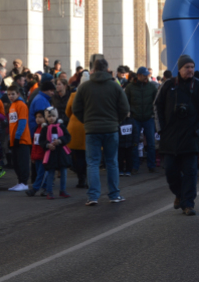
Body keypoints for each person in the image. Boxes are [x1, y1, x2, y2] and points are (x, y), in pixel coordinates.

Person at [154, 55, 199, 216]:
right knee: (171, 172)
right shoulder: (168, 85)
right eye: (187, 67)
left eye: (192, 67)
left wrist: (197, 130)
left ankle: (188, 204)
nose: (190, 70)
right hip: (170, 137)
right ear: (179, 69)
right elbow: (157, 106)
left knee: (190, 172)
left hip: (191, 137)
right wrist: (161, 129)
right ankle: (179, 194)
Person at [73, 58, 130, 206]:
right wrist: (116, 120)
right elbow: (124, 108)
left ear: (93, 69)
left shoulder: (85, 87)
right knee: (112, 162)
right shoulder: (115, 86)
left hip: (92, 130)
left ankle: (93, 196)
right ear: (107, 69)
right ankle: (114, 194)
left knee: (92, 163)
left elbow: (76, 109)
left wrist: (86, 121)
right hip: (111, 129)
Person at [124, 67, 158, 173]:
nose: (146, 77)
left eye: (147, 75)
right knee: (135, 143)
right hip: (135, 118)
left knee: (151, 143)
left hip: (148, 118)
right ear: (138, 75)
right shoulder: (130, 87)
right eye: (144, 75)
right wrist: (129, 114)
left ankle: (151, 165)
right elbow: (126, 102)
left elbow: (156, 101)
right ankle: (135, 166)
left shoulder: (152, 87)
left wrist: (153, 114)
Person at [39, 107, 72, 199]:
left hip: (61, 153)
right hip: (51, 153)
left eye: (53, 116)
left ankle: (63, 190)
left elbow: (68, 137)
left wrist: (60, 141)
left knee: (64, 172)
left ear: (56, 116)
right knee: (51, 173)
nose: (51, 118)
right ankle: (49, 191)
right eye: (49, 116)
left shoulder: (61, 126)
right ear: (46, 118)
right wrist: (47, 145)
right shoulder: (45, 129)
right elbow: (41, 140)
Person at [66, 71, 88, 188]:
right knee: (90, 156)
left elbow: (68, 111)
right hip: (90, 127)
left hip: (75, 127)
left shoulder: (74, 95)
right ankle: (90, 179)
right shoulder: (93, 94)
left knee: (78, 156)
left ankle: (81, 180)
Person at [6, 84, 31, 191]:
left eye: (13, 94)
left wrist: (17, 137)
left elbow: (22, 122)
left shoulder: (21, 105)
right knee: (15, 162)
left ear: (18, 94)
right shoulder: (12, 105)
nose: (10, 96)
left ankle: (24, 183)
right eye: (9, 94)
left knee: (22, 162)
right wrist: (10, 139)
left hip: (22, 139)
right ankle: (20, 181)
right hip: (14, 140)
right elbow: (12, 124)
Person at [25, 110, 47, 197]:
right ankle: (46, 188)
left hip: (43, 156)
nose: (38, 119)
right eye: (37, 117)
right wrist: (33, 156)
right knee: (40, 173)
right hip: (37, 156)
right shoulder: (36, 129)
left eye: (40, 117)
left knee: (41, 173)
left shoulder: (45, 129)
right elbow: (34, 144)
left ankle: (34, 189)